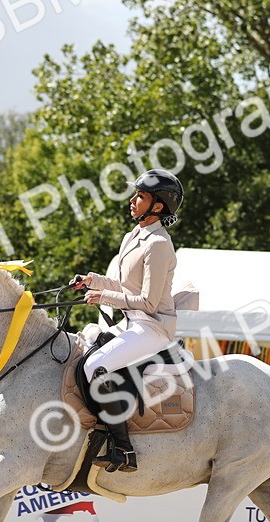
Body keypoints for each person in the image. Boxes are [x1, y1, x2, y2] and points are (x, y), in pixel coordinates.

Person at [72, 168, 184, 473]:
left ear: (157, 207)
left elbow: (148, 301)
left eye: (141, 196)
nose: (133, 200)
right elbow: (123, 285)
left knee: (96, 367)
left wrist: (104, 298)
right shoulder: (133, 235)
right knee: (80, 349)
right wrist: (92, 281)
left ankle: (122, 448)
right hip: (131, 321)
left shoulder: (159, 244)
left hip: (152, 326)